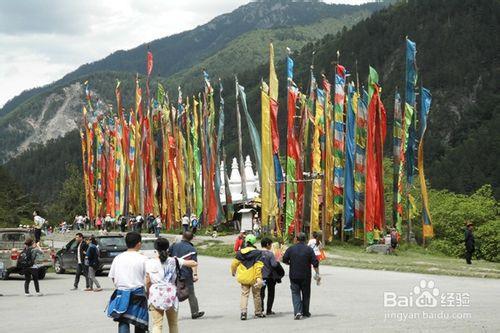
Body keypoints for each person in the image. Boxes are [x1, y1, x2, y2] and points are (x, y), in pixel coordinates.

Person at [146, 237, 198, 333]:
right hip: (171, 294)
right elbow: (194, 263)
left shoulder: (149, 262)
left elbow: (148, 281)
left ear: (155, 249)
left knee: (157, 324)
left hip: (156, 294)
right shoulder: (174, 260)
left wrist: (147, 292)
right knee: (173, 323)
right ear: (167, 248)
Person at [107, 232, 148, 333]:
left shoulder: (118, 258)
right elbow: (148, 278)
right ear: (139, 244)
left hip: (122, 293)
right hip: (138, 293)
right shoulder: (143, 258)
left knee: (123, 320)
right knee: (140, 322)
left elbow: (113, 277)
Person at [283, 232, 320, 320]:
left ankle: (298, 312)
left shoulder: (291, 249)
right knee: (306, 293)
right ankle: (306, 312)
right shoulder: (309, 250)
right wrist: (317, 274)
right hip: (306, 276)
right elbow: (315, 263)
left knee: (295, 293)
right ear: (305, 239)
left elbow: (284, 259)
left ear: (296, 239)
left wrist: (290, 263)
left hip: (294, 275)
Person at [169, 231, 205, 320]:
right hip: (186, 274)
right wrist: (195, 274)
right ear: (191, 238)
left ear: (182, 237)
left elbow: (168, 257)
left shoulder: (174, 246)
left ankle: (172, 313)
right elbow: (194, 263)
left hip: (173, 273)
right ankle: (195, 312)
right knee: (191, 293)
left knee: (173, 293)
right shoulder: (191, 249)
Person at [231, 234, 265, 320]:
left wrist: (233, 271)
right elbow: (258, 266)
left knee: (244, 295)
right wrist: (258, 278)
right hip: (254, 278)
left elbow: (234, 264)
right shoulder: (258, 253)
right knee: (257, 295)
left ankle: (243, 313)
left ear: (246, 241)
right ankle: (258, 312)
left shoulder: (240, 252)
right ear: (254, 242)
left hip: (244, 277)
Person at [260, 237, 282, 315]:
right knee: (271, 293)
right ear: (267, 244)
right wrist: (277, 261)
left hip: (261, 277)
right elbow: (274, 264)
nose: (271, 246)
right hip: (270, 277)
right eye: (270, 244)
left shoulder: (258, 253)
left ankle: (260, 309)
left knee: (261, 293)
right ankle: (269, 310)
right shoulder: (270, 254)